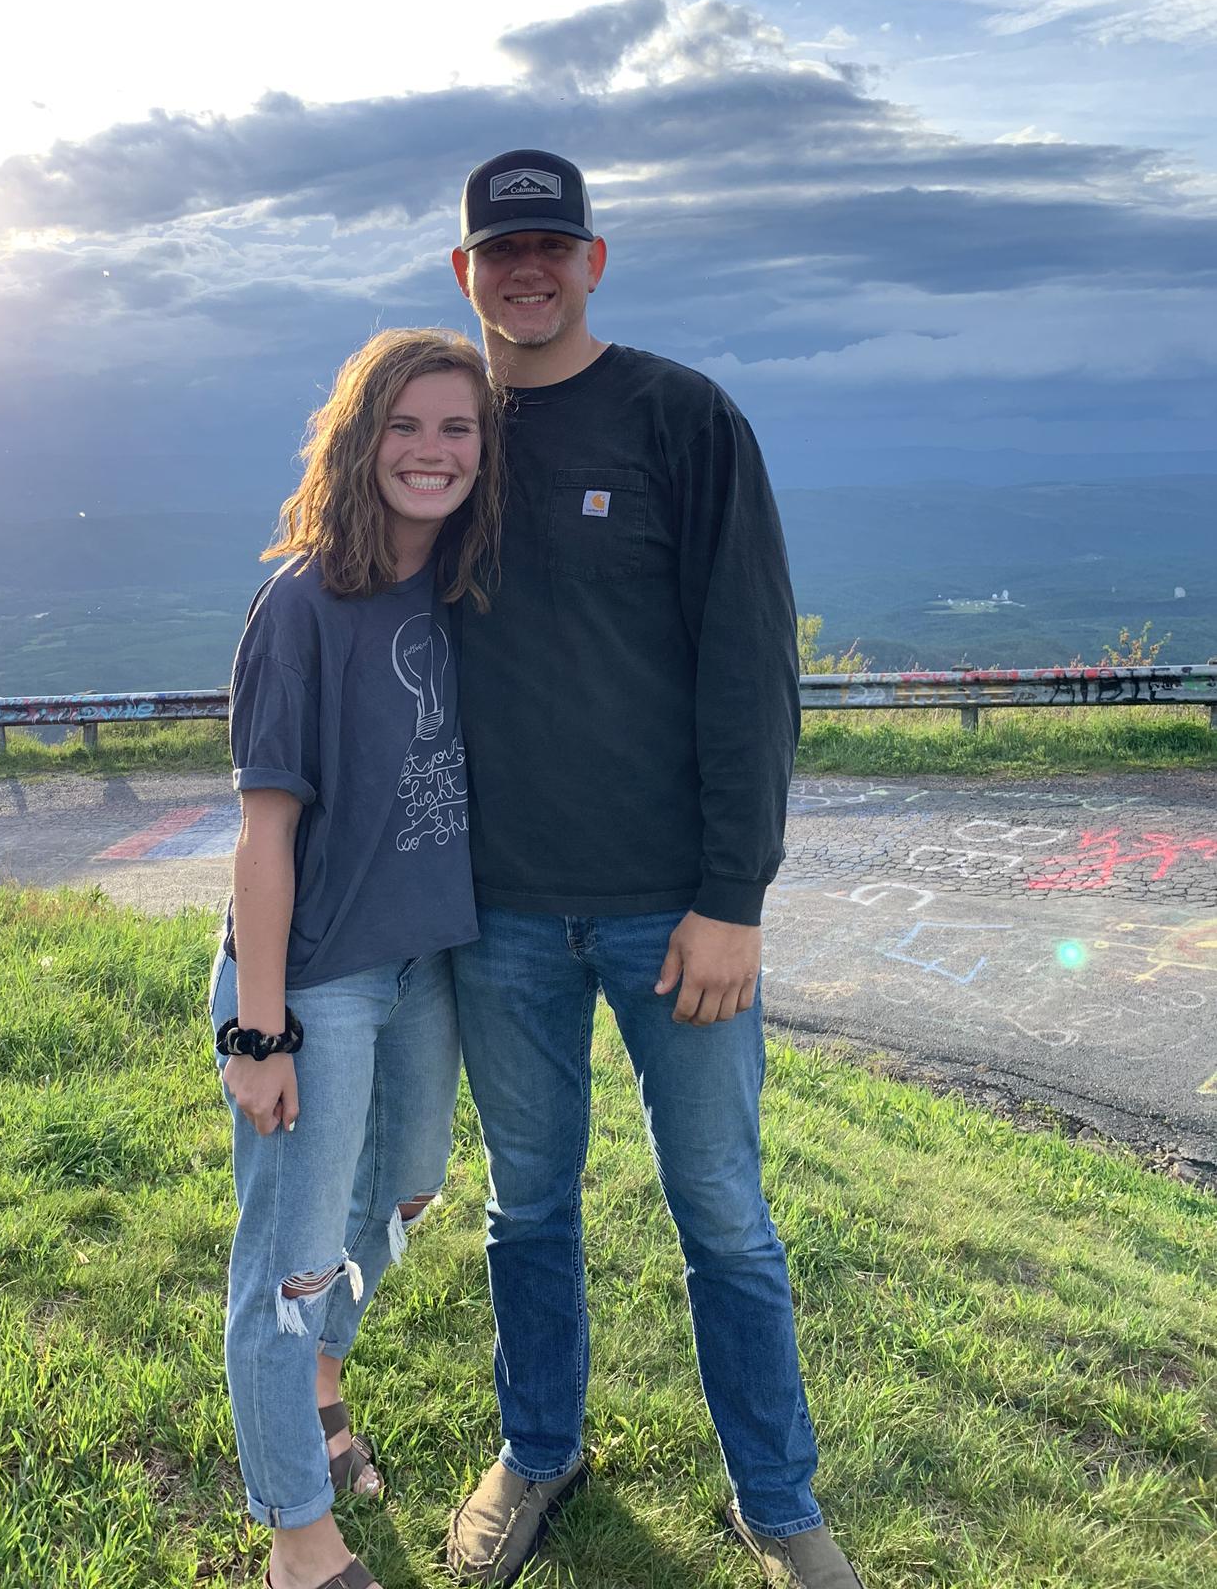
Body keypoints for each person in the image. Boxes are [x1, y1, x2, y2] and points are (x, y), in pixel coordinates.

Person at [443, 151, 865, 1589]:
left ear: (596, 260)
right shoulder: (442, 432)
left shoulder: (680, 418)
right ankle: (538, 1450)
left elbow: (754, 670)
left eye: (552, 245)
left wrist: (735, 898)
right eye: (503, 252)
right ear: (465, 274)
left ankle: (778, 1499)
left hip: (672, 914)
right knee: (529, 1204)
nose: (528, 270)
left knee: (726, 1216)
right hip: (496, 914)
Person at [209, 327, 503, 1589]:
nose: (431, 452)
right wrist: (260, 1028)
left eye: (458, 428)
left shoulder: (465, 585)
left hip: (422, 959)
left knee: (409, 1192)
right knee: (288, 1257)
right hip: (316, 975)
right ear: (359, 435)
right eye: (406, 425)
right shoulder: (302, 601)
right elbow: (263, 833)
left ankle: (324, 1383)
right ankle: (298, 1537)